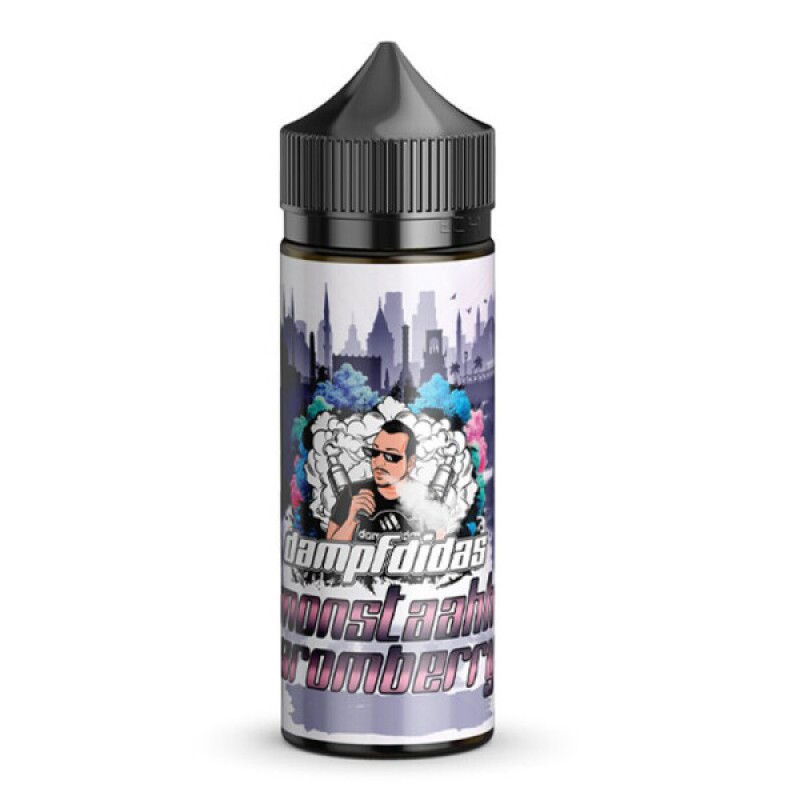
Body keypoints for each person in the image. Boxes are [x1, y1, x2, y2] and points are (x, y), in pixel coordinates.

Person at [326, 419, 446, 542]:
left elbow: (442, 545)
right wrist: (351, 520)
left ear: (410, 463)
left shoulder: (427, 497)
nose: (378, 462)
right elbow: (328, 547)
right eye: (375, 452)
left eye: (391, 456)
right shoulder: (352, 493)